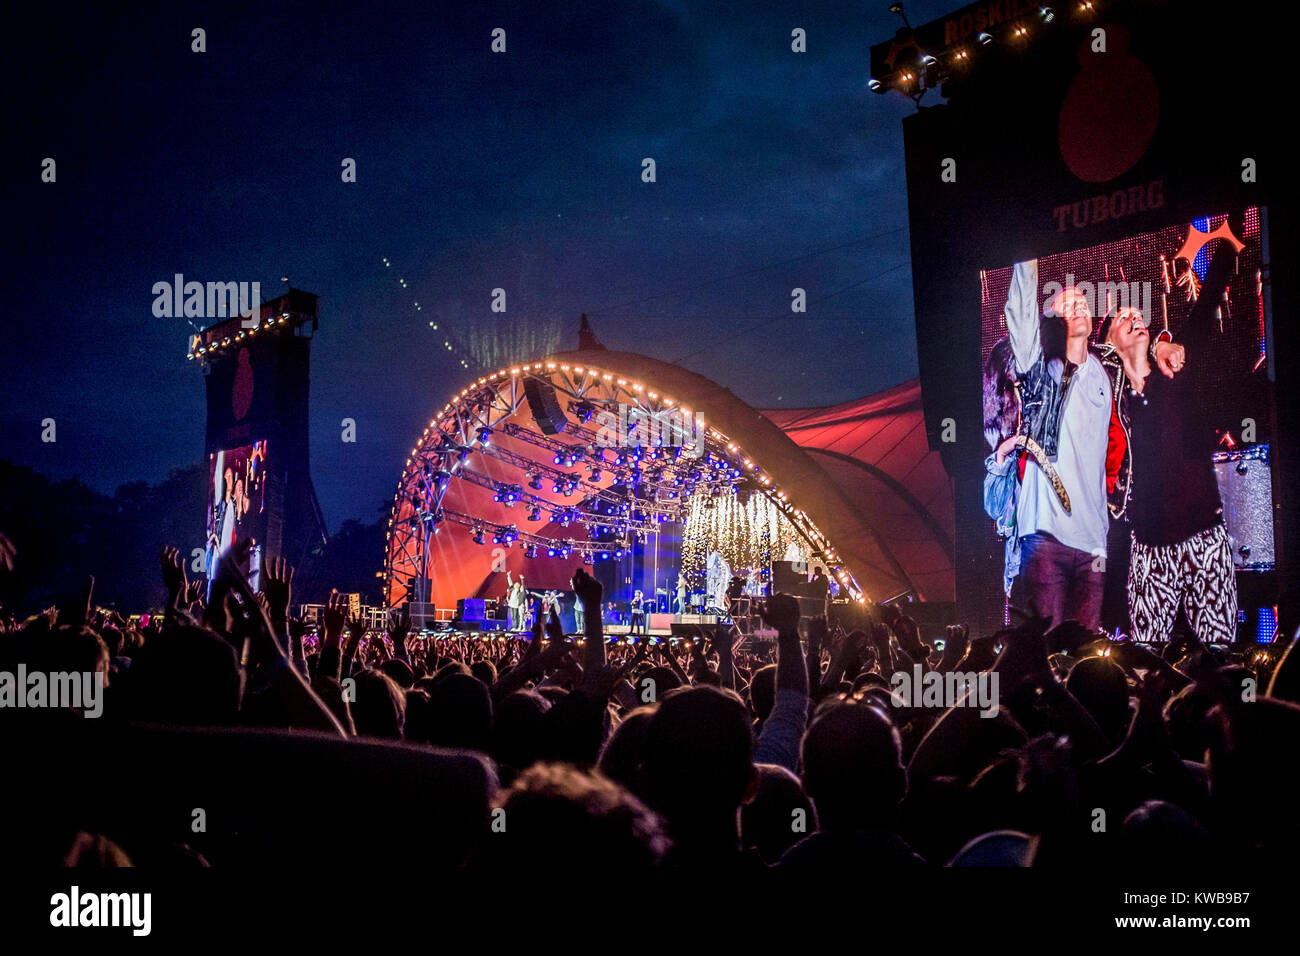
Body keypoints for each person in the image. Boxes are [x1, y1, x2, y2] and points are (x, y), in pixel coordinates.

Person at [1102, 246, 1238, 643]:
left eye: (1140, 317)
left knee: (1219, 649)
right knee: (1148, 655)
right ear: (1110, 338)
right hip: (1148, 543)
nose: (1137, 319)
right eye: (1125, 318)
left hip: (1203, 533)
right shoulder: (1108, 394)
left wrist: (1227, 245)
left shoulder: (1176, 367)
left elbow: (1206, 303)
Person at [984, 260, 1112, 631]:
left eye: (1084, 303)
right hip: (1044, 536)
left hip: (1094, 542)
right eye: (1068, 305)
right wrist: (1027, 256)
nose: (1080, 307)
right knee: (1046, 647)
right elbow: (1020, 317)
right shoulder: (1039, 368)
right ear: (1053, 322)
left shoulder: (1106, 374)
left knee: (1089, 652)